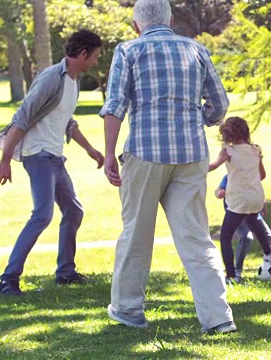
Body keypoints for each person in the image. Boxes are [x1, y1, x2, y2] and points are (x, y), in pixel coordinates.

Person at [100, 0, 235, 333]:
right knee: (196, 238)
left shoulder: (128, 51)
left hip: (145, 153)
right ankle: (218, 318)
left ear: (136, 25)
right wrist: (198, 119)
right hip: (191, 154)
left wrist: (108, 154)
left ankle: (128, 310)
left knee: (136, 235)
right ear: (171, 20)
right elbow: (219, 104)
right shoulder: (196, 50)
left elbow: (115, 106)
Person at [0, 30, 105, 296]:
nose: (96, 62)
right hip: (38, 155)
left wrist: (90, 149)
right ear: (83, 53)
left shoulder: (73, 81)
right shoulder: (52, 78)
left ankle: (65, 273)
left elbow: (67, 120)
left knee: (74, 211)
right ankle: (8, 280)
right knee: (42, 215)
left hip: (55, 156)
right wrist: (5, 160)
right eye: (95, 56)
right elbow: (22, 117)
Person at [209, 117, 271, 285]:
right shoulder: (255, 150)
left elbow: (213, 166)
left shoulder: (228, 151)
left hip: (237, 200)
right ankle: (269, 254)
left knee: (226, 237)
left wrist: (194, 167)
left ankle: (231, 276)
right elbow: (262, 175)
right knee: (252, 219)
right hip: (256, 198)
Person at [215, 174, 271, 278]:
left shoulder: (251, 172)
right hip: (237, 213)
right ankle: (237, 271)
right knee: (247, 237)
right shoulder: (230, 177)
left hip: (253, 212)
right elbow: (218, 191)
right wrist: (221, 193)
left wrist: (262, 201)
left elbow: (258, 187)